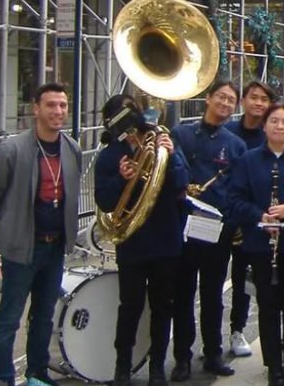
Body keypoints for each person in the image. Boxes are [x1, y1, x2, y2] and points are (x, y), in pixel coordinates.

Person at [0, 83, 82, 386]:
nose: (58, 112)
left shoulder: (72, 148)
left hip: (54, 247)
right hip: (22, 249)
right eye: (51, 105)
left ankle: (36, 373)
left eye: (63, 105)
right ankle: (2, 378)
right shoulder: (11, 149)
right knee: (9, 319)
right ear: (35, 109)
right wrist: (12, 226)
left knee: (44, 316)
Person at [94, 94, 190, 386]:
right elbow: (105, 201)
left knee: (163, 306)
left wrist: (171, 157)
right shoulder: (111, 154)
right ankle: (122, 368)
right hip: (133, 243)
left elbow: (182, 184)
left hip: (165, 239)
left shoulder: (163, 141)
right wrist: (123, 178)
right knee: (131, 306)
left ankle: (157, 368)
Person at [227, 102, 284, 386]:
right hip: (260, 243)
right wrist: (260, 215)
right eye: (274, 121)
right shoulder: (248, 160)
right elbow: (234, 199)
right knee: (267, 307)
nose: (280, 126)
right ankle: (273, 366)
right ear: (264, 126)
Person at [170, 80, 245, 379]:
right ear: (208, 99)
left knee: (213, 295)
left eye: (231, 100)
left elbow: (238, 188)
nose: (225, 104)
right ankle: (182, 357)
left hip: (217, 229)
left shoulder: (236, 145)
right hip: (185, 227)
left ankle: (213, 352)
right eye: (221, 98)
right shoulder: (181, 134)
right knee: (183, 294)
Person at [225, 80, 277, 358]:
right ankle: (237, 329)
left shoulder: (271, 134)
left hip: (265, 222)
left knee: (265, 282)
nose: (258, 103)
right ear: (243, 101)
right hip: (235, 217)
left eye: (264, 99)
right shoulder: (229, 132)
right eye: (253, 97)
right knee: (238, 279)